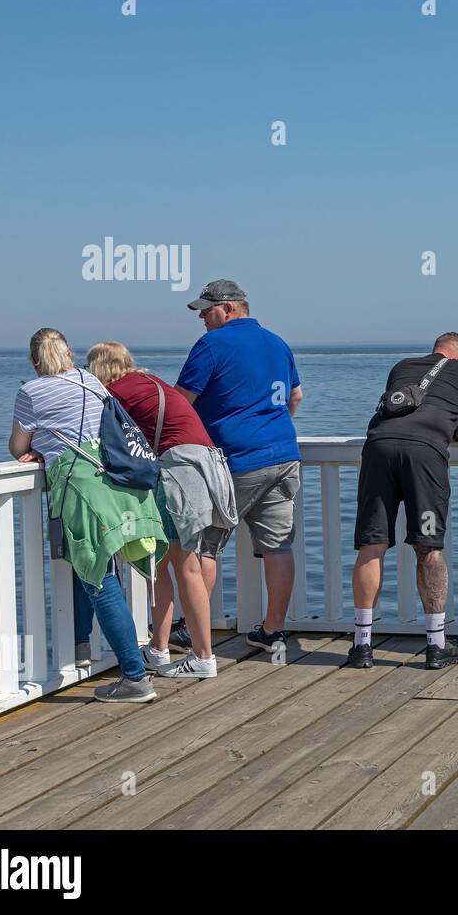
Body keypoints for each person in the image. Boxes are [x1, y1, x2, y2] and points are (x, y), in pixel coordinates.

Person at [9, 329, 165, 703]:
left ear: (34, 362)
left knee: (98, 577)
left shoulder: (30, 391)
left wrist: (40, 448)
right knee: (96, 569)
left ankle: (135, 677)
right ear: (69, 355)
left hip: (79, 489)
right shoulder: (90, 380)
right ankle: (83, 646)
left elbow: (16, 447)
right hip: (115, 483)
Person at [86, 341, 237, 679]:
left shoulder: (117, 393)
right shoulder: (150, 382)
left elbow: (98, 437)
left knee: (187, 565)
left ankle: (203, 657)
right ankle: (158, 648)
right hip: (207, 465)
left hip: (178, 470)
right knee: (164, 562)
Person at [175, 279, 304, 653]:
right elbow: (295, 396)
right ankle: (274, 630)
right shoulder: (277, 342)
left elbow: (182, 402)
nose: (201, 316)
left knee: (206, 545)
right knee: (278, 546)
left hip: (235, 460)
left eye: (206, 309)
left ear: (229, 308)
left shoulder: (212, 345)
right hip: (283, 455)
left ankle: (190, 631)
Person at [349, 333, 458, 670]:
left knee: (372, 544)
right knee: (428, 547)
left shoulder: (402, 366)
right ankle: (436, 645)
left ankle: (362, 646)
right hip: (424, 455)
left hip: (378, 447)